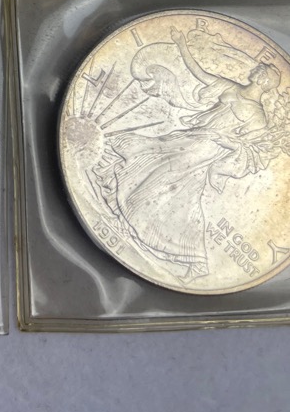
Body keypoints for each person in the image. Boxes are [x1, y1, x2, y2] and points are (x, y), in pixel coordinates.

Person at [99, 27, 281, 280]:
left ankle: (189, 256)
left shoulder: (258, 117)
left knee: (158, 175)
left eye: (262, 71)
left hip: (205, 150)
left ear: (264, 82)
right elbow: (199, 73)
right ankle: (189, 257)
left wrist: (226, 141)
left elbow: (250, 150)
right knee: (162, 174)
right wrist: (181, 44)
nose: (257, 69)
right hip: (191, 137)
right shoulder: (231, 87)